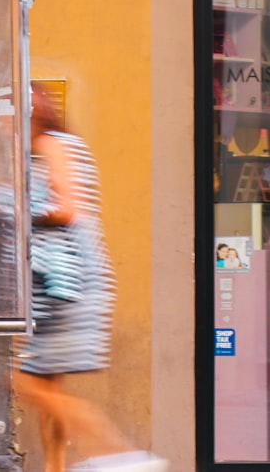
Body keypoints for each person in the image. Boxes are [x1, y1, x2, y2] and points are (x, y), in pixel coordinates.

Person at [14, 84, 168, 472]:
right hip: (55, 286)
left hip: (66, 285)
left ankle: (120, 454)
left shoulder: (52, 144)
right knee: (48, 385)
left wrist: (14, 211)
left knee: (18, 380)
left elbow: (67, 209)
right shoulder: (44, 149)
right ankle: (56, 466)